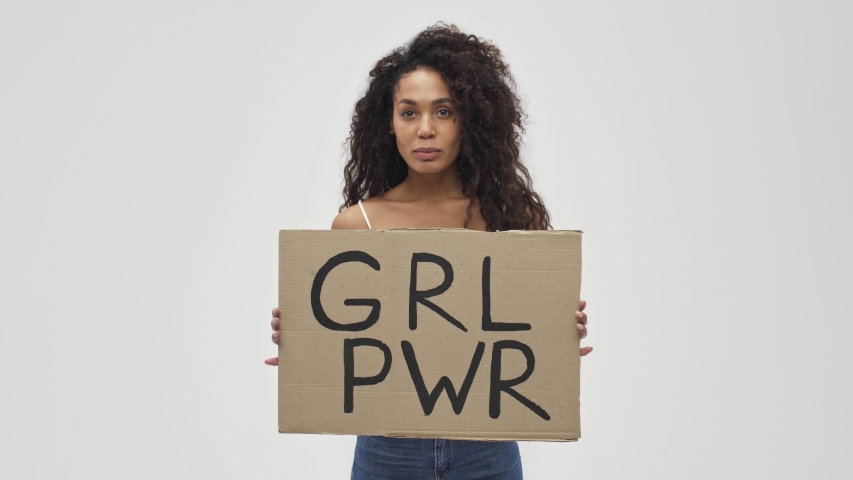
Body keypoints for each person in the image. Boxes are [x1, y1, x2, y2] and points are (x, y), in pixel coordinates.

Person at [264, 23, 592, 479]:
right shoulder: (357, 225)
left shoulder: (511, 219)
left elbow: (523, 337)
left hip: (488, 452)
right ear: (389, 122)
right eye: (408, 112)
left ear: (470, 120)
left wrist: (558, 332)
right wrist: (307, 339)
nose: (425, 130)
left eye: (443, 111)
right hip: (386, 452)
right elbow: (344, 337)